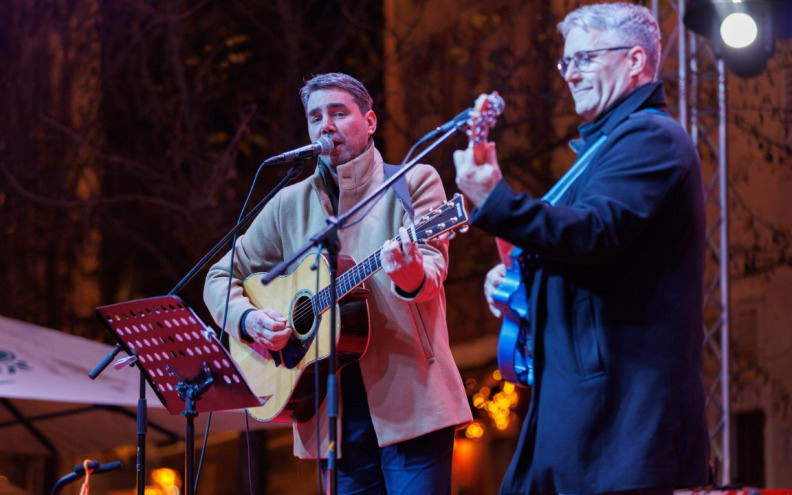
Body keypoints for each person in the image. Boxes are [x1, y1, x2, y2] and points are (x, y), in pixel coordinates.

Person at [453, 3, 710, 495]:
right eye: (565, 63)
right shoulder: (606, 148)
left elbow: (595, 231)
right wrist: (516, 277)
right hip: (584, 413)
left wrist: (497, 202)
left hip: (621, 424)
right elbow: (577, 246)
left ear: (635, 60)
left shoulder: (654, 138)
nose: (570, 75)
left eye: (585, 59)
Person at [204, 72, 472, 494]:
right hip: (326, 409)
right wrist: (247, 319)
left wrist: (408, 273)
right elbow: (220, 274)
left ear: (369, 122)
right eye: (315, 117)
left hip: (412, 401)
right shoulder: (287, 204)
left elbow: (432, 271)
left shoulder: (413, 182)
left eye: (338, 113)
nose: (324, 125)